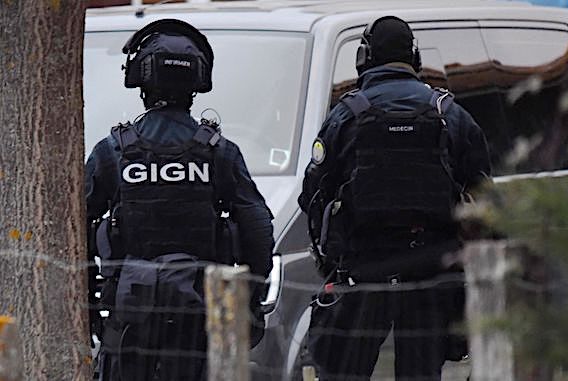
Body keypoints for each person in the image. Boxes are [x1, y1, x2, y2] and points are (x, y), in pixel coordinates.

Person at [298, 16, 491, 381]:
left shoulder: (347, 115)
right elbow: (484, 195)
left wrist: (330, 261)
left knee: (344, 374)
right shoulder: (448, 113)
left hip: (363, 273)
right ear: (414, 56)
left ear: (364, 58)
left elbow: (313, 196)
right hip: (430, 274)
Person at [85, 19, 274, 381]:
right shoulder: (219, 153)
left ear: (139, 76)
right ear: (198, 79)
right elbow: (258, 227)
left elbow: (75, 224)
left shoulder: (113, 153)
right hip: (200, 317)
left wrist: (90, 303)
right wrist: (251, 300)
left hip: (128, 319)